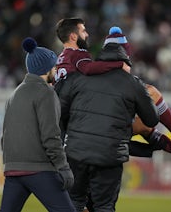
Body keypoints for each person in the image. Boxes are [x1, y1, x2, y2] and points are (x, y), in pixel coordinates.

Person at [55, 18, 171, 169]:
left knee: (143, 128)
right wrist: (119, 64)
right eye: (83, 31)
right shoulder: (78, 54)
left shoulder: (62, 59)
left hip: (77, 125)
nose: (87, 34)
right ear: (73, 36)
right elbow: (89, 69)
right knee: (150, 92)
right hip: (86, 120)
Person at [58, 47, 160, 212]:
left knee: (74, 202)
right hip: (109, 157)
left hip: (76, 153)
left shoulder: (80, 77)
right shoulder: (132, 84)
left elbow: (61, 111)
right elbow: (152, 119)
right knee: (104, 206)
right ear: (123, 63)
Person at [0, 37, 75, 212]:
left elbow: (5, 137)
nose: (56, 69)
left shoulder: (14, 94)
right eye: (54, 66)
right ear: (46, 68)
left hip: (13, 169)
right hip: (38, 169)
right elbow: (51, 136)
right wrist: (63, 167)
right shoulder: (46, 93)